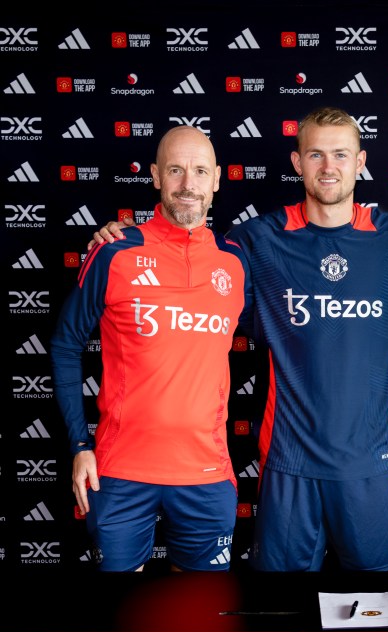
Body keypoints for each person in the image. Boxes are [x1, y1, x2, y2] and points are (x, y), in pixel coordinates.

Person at [90, 108, 388, 573]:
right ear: (297, 164)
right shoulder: (255, 240)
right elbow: (186, 260)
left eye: (341, 155)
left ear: (360, 163)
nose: (329, 166)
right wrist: (120, 239)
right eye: (315, 155)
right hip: (288, 464)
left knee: (386, 607)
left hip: (371, 464)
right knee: (282, 615)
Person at [50, 125, 253, 572]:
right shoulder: (114, 251)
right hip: (120, 471)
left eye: (200, 171)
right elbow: (66, 346)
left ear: (217, 179)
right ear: (156, 175)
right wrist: (80, 444)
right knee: (123, 626)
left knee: (200, 621)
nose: (188, 184)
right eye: (176, 170)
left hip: (207, 474)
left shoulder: (236, 262)